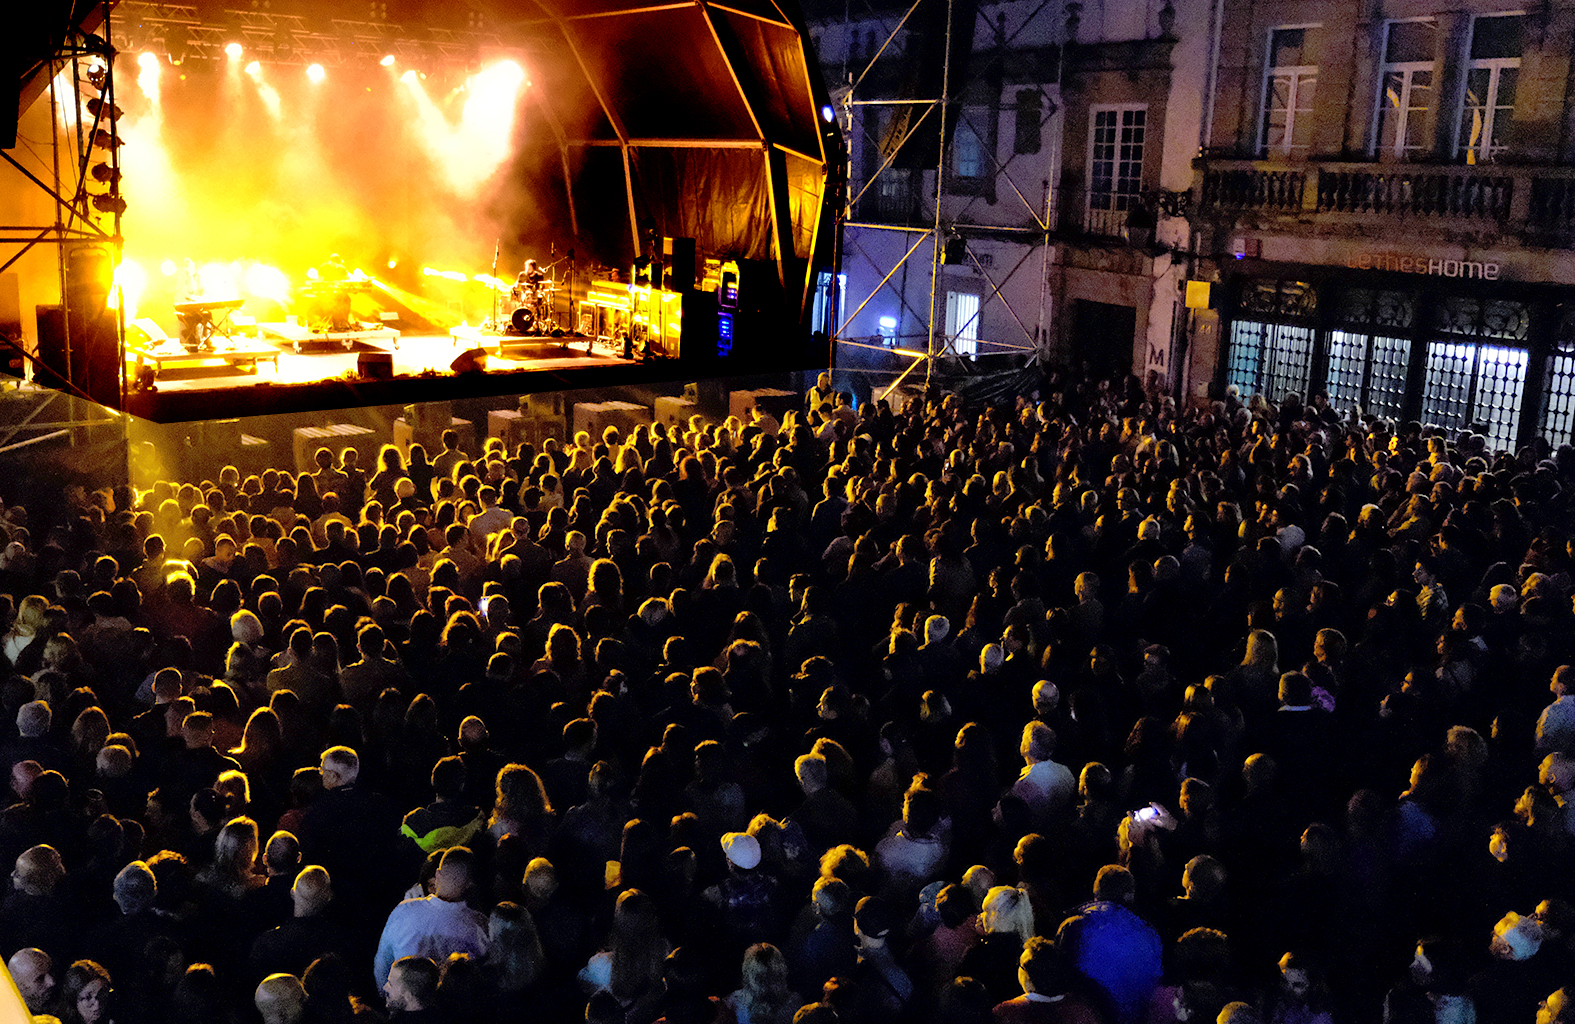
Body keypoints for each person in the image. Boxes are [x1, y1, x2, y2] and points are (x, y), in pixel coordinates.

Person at [373, 846, 489, 988]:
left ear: (437, 875)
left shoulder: (403, 911)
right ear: (469, 884)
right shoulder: (478, 926)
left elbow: (382, 962)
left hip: (403, 1002)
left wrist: (387, 997)